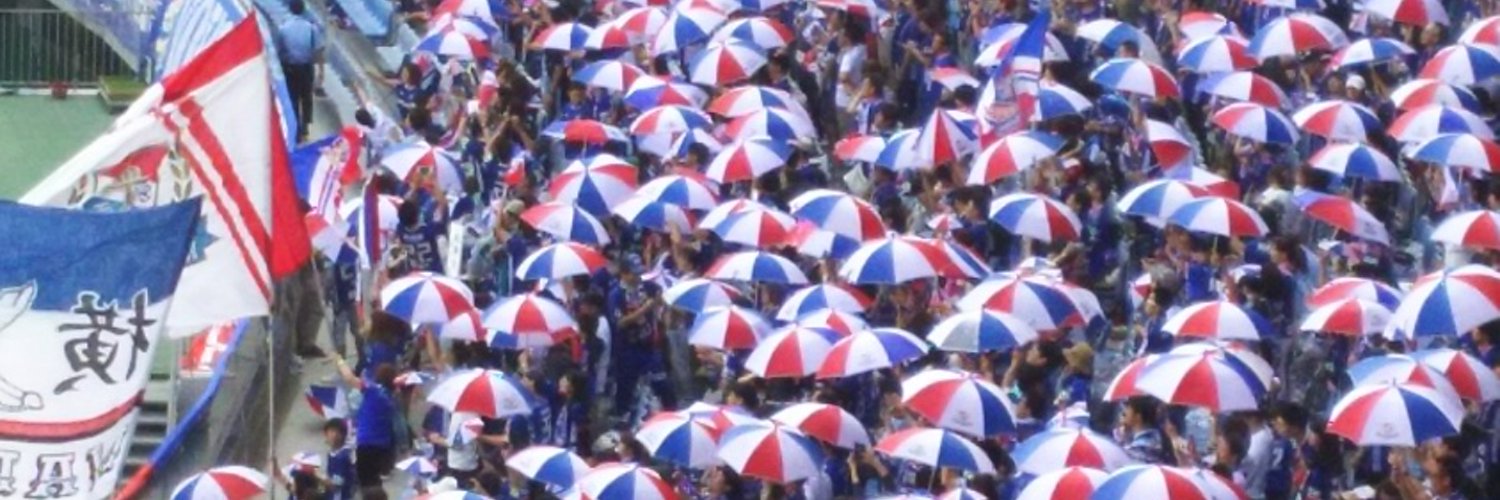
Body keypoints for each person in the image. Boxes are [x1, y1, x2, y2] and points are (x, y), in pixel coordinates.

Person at [333, 357, 399, 488]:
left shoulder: (372, 391)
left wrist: (339, 360)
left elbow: (349, 378)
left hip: (366, 443)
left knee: (366, 480)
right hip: (383, 445)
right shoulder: (391, 398)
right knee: (375, 480)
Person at [276, 0, 323, 143]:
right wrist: (321, 71)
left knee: (294, 99)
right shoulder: (311, 28)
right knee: (307, 96)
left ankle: (296, 130)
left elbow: (280, 50)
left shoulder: (283, 28)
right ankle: (306, 126)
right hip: (306, 66)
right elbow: (318, 51)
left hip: (290, 68)